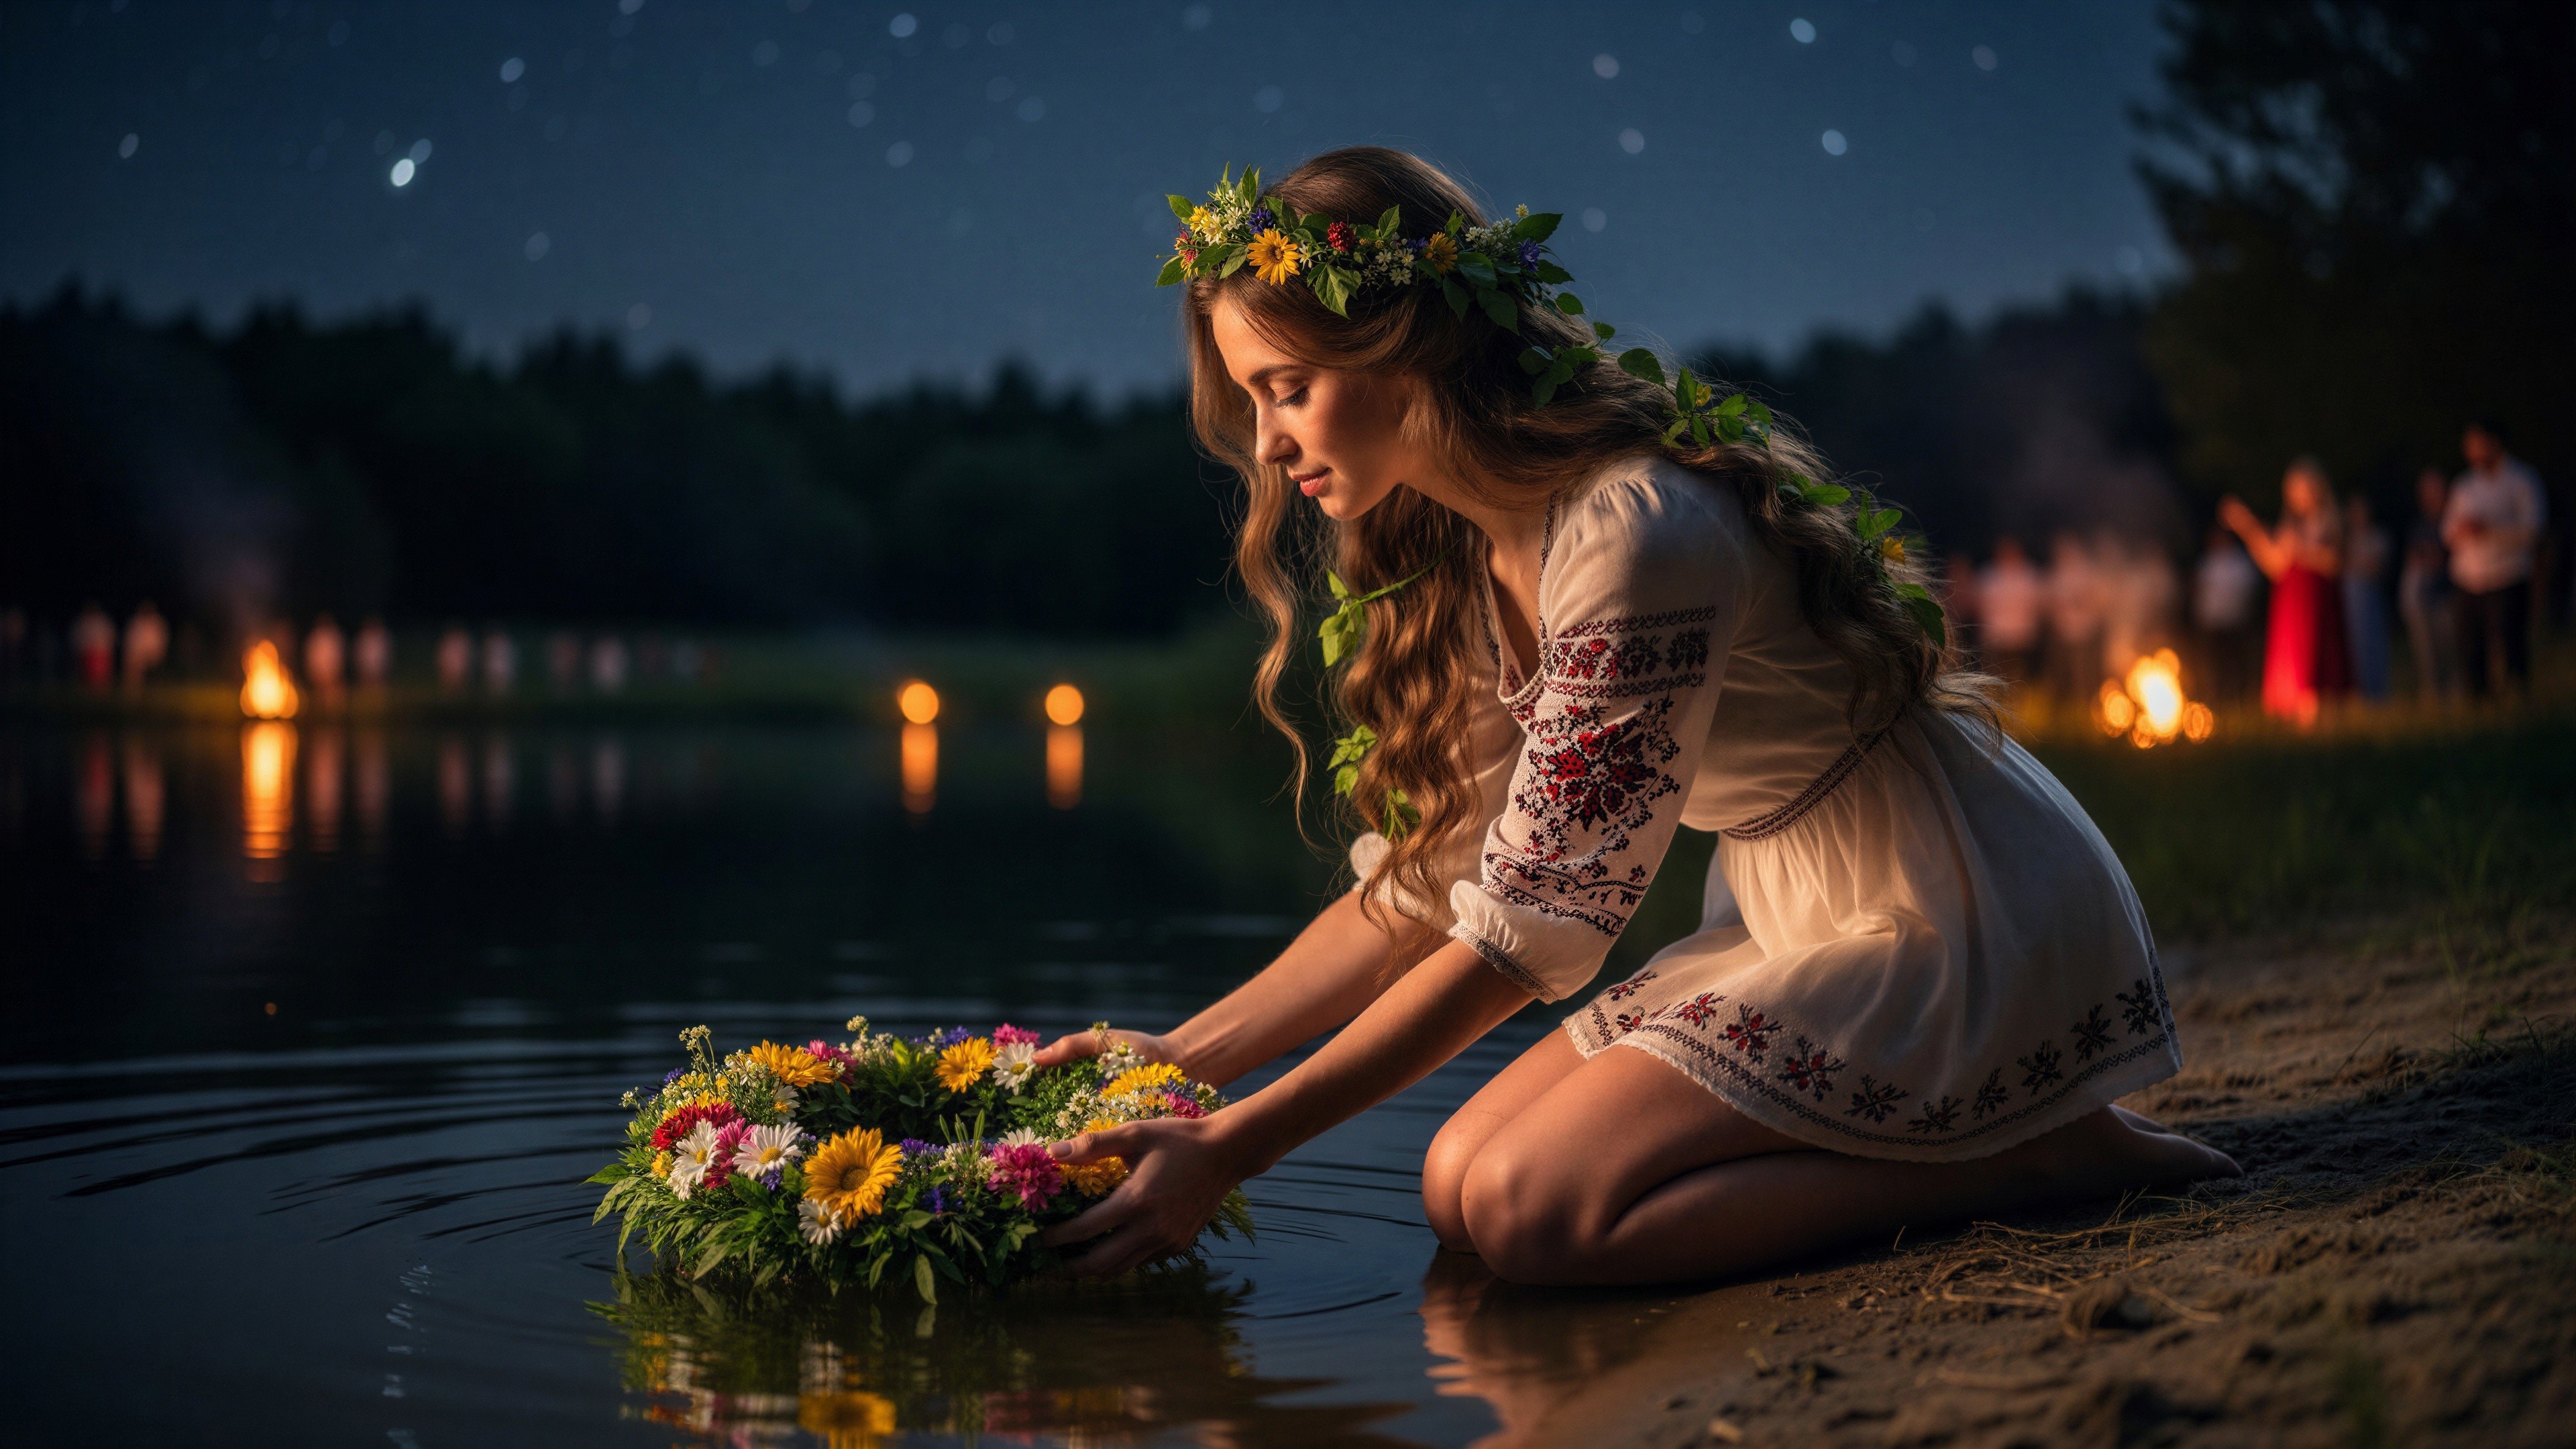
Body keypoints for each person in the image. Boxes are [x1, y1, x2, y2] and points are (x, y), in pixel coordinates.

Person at [1027, 148, 2233, 1286]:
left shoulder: (1632, 533)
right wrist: (1189, 1063)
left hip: (1937, 908)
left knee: (1536, 1213)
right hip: (1788, 908)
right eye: (1251, 401)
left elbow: (1535, 927)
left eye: (1287, 389)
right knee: (1454, 1186)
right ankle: (1963, 1146)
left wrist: (1234, 1148)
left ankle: (2034, 1156)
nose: (1270, 442)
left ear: (1410, 347)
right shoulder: (1457, 542)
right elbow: (1431, 878)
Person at [2218, 458, 2348, 728]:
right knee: (2296, 661)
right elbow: (2275, 562)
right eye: (2293, 489)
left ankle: (2325, 727)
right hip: (2292, 602)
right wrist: (2247, 525)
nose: (2298, 495)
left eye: (2303, 488)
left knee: (2317, 660)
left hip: (2316, 600)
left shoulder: (2328, 521)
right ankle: (2302, 726)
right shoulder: (2291, 525)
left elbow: (2334, 562)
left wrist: (2301, 550)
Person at [2443, 421, 2546, 699]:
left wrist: (2490, 531)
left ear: (2495, 443)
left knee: (2510, 640)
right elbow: (2448, 529)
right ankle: (2479, 699)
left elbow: (2533, 530)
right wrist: (2461, 531)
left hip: (2507, 574)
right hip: (2469, 576)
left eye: (2477, 444)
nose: (2471, 452)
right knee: (2470, 644)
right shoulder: (2465, 485)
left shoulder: (2521, 480)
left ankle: (2517, 695)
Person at [2398, 470, 2458, 700]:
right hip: (2423, 599)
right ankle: (2432, 694)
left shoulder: (2453, 520)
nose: (2431, 496)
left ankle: (2456, 694)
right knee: (2426, 651)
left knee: (2450, 647)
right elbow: (2415, 559)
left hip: (2450, 595)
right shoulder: (2418, 527)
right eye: (2426, 492)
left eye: (2436, 490)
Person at [2190, 526, 2263, 704]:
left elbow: (2250, 590)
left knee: (2235, 661)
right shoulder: (2208, 562)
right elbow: (2199, 590)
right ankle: (2216, 694)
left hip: (2234, 621)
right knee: (2214, 663)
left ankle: (2239, 694)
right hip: (2213, 623)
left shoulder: (2240, 562)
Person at [2341, 496, 2391, 702]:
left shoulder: (2379, 538)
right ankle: (2357, 693)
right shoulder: (2346, 541)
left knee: (2372, 645)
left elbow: (2375, 568)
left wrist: (2353, 563)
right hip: (2349, 603)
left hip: (2370, 601)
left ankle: (2377, 693)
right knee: (2351, 646)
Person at [1976, 536, 2043, 688]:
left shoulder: (2028, 574)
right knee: (1996, 676)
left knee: (2020, 677)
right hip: (1996, 636)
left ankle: (2023, 703)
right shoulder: (1989, 574)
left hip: (2021, 636)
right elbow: (1981, 604)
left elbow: (2036, 603)